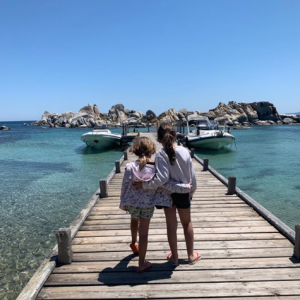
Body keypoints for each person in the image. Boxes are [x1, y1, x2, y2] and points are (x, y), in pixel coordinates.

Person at [120, 136, 191, 273]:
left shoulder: (129, 167)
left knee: (134, 220)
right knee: (144, 233)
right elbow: (167, 185)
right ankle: (141, 263)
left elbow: (124, 187)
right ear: (152, 150)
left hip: (133, 204)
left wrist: (123, 203)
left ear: (134, 151)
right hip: (147, 206)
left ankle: (134, 243)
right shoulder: (155, 169)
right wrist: (186, 187)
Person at [133, 123, 200, 266]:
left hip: (167, 195)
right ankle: (191, 255)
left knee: (171, 225)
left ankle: (174, 257)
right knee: (186, 223)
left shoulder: (161, 155)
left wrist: (145, 185)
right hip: (183, 193)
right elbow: (192, 177)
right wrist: (191, 192)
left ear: (159, 139)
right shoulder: (184, 151)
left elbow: (162, 179)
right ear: (175, 135)